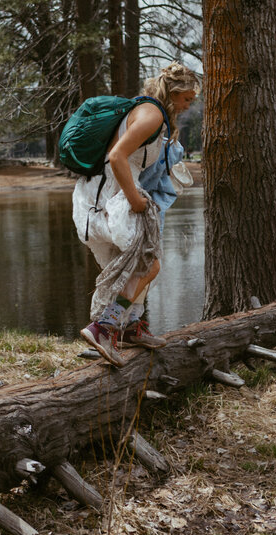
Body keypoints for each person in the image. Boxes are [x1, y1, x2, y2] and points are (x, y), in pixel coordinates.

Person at [73, 62, 201, 367]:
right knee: (148, 264)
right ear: (174, 92)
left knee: (135, 270)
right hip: (109, 201)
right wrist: (136, 200)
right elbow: (117, 156)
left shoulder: (152, 114)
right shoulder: (152, 114)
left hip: (101, 200)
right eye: (187, 99)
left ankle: (130, 328)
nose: (188, 106)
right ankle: (104, 327)